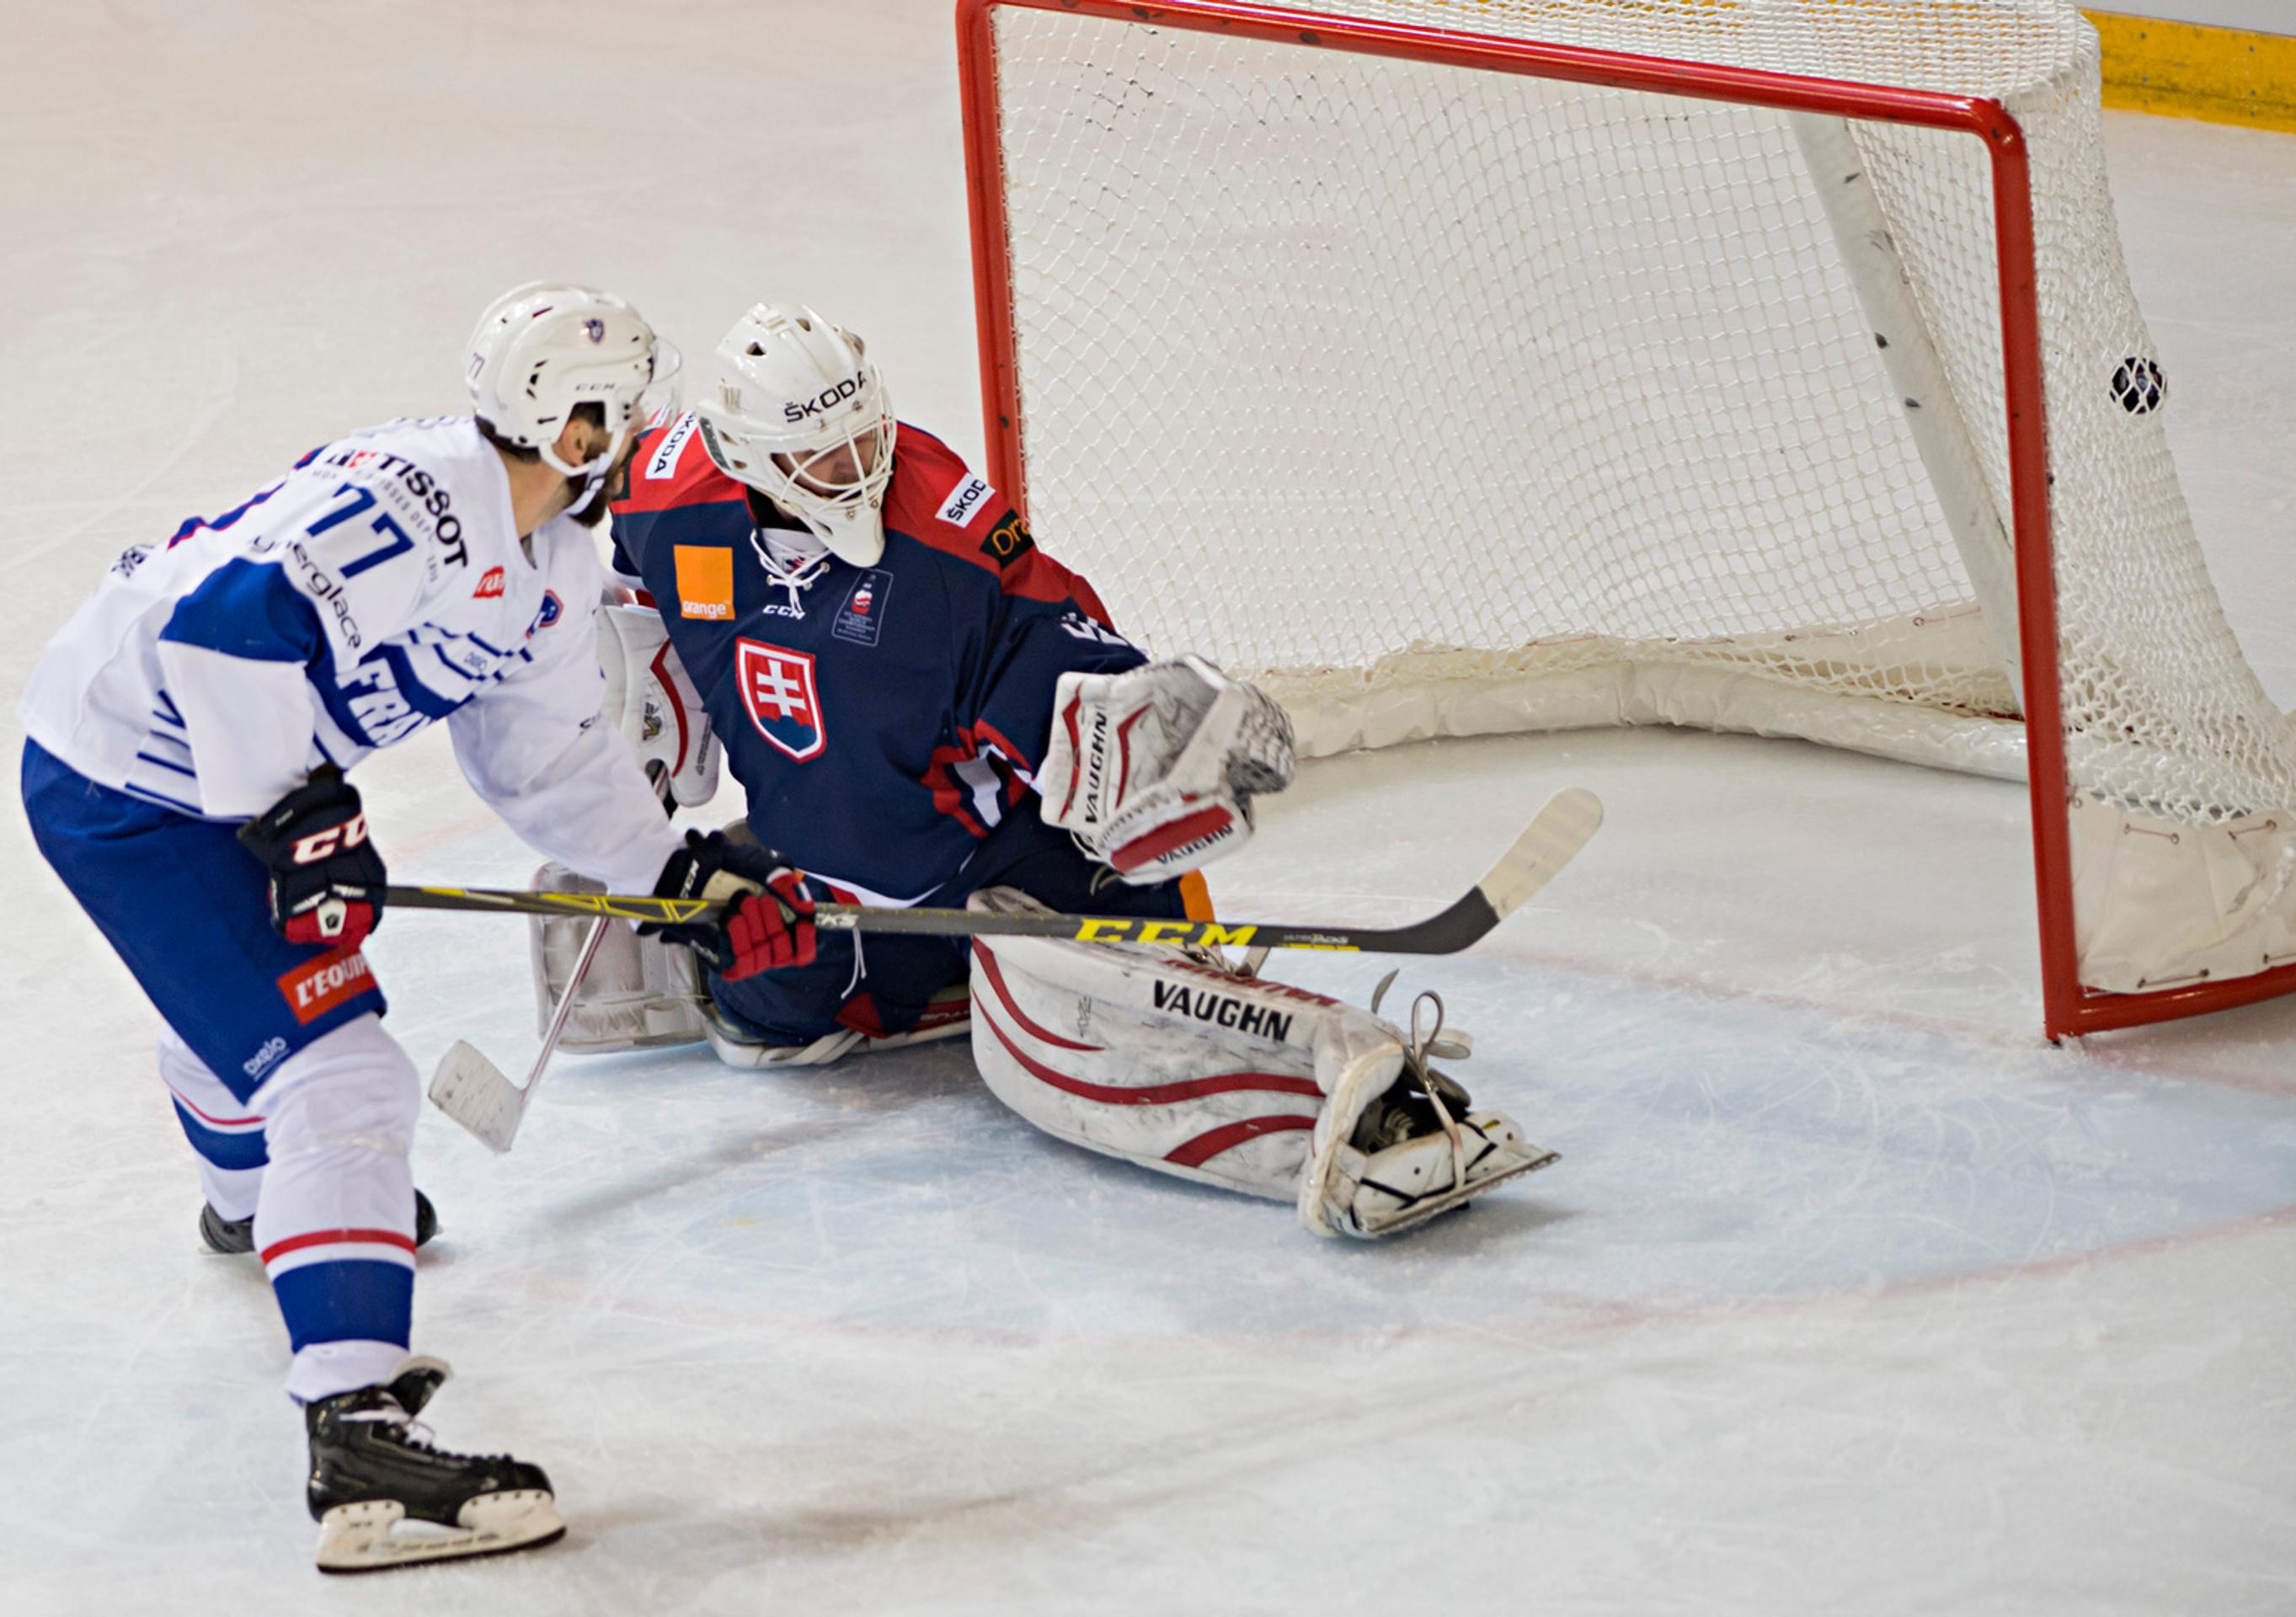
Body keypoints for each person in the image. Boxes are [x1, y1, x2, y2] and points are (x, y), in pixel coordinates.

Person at [19, 282, 812, 1572]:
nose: (645, 430)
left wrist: (679, 875)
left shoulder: (549, 557)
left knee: (250, 1020)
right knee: (342, 1077)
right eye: (626, 410)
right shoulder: (422, 504)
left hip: (196, 787)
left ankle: (256, 1205)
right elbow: (223, 629)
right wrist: (286, 814)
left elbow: (543, 761)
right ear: (575, 427)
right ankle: (357, 1432)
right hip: (131, 789)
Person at [542, 298, 1556, 1240]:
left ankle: (1353, 1104)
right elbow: (625, 590)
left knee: (1115, 1000)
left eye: (866, 437)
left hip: (1004, 855)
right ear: (744, 454)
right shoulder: (666, 486)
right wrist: (642, 704)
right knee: (767, 1022)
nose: (857, 469)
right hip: (843, 878)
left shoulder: (946, 548)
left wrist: (1155, 742)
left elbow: (1068, 659)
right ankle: (934, 977)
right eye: (822, 457)